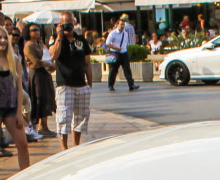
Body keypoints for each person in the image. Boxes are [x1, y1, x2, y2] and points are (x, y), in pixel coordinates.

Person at [0, 25, 30, 180]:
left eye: (5, 37)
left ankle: (26, 178)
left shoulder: (14, 59)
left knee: (22, 143)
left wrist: (19, 111)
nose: (2, 41)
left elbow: (19, 88)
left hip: (11, 107)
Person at [50, 12, 94, 150]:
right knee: (64, 117)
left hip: (81, 84)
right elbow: (53, 55)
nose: (68, 26)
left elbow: (87, 63)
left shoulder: (80, 40)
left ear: (74, 24)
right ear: (60, 24)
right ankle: (64, 148)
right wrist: (59, 36)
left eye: (70, 23)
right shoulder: (57, 40)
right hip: (64, 85)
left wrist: (90, 84)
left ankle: (76, 145)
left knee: (81, 117)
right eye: (65, 23)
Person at [23, 22, 56, 137]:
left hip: (45, 73)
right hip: (36, 73)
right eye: (33, 30)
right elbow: (35, 61)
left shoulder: (40, 44)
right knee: (39, 98)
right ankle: (41, 126)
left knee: (47, 98)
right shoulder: (29, 45)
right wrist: (47, 63)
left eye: (38, 29)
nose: (37, 32)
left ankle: (45, 125)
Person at [104, 14, 138, 91]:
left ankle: (131, 85)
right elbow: (107, 43)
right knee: (113, 70)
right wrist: (116, 48)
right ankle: (110, 85)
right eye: (121, 25)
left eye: (123, 25)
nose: (122, 26)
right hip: (114, 53)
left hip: (123, 53)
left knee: (127, 69)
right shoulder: (112, 33)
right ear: (117, 24)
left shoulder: (125, 33)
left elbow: (125, 43)